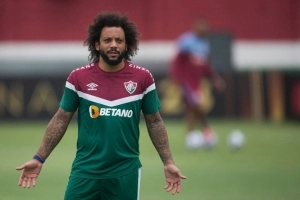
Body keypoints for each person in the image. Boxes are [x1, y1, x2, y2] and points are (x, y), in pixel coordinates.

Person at [16, 12, 186, 199]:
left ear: (127, 44)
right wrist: (39, 158)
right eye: (107, 40)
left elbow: (154, 122)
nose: (113, 44)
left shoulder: (143, 78)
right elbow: (61, 118)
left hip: (125, 174)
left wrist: (168, 161)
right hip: (84, 173)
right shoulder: (78, 78)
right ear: (97, 44)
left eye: (119, 40)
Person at [169, 17, 225, 148]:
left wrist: (215, 79)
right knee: (195, 105)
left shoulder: (205, 45)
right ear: (196, 28)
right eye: (202, 27)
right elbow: (177, 61)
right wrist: (176, 78)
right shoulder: (187, 41)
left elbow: (206, 67)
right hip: (186, 81)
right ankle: (205, 130)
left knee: (193, 108)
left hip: (197, 82)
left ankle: (193, 135)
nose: (205, 30)